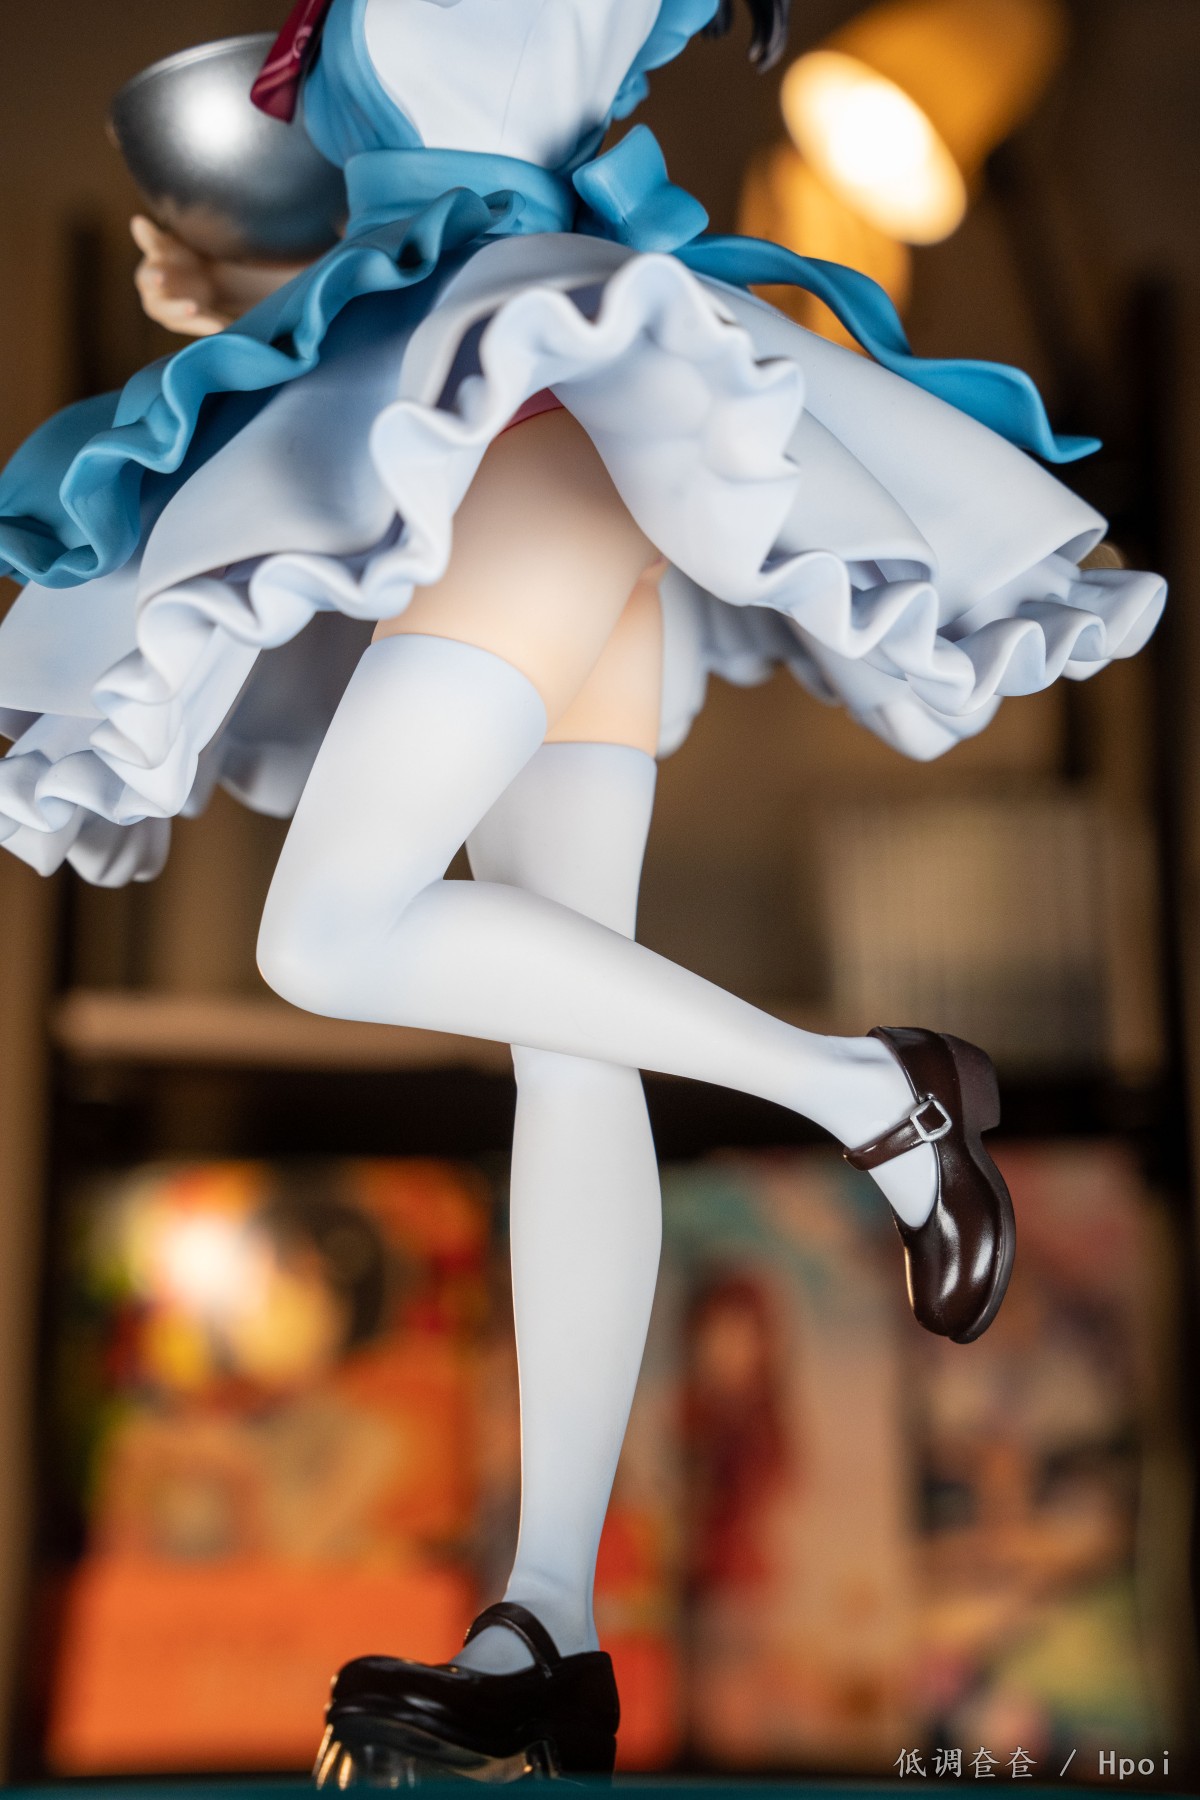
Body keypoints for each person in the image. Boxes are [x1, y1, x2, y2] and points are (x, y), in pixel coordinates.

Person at [0, 0, 1165, 1780]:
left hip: (543, 432)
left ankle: (871, 1091)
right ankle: (548, 1625)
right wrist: (242, 274)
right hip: (534, 441)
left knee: (327, 936)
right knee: (570, 1053)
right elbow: (416, 198)